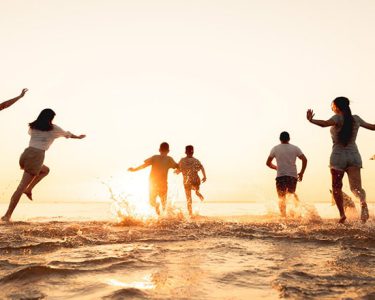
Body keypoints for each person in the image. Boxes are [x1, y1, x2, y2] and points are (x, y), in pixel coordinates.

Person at [1, 108, 86, 222]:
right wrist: (79, 137)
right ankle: (7, 215)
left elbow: (33, 135)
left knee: (45, 170)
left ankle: (29, 189)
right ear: (50, 118)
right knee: (20, 187)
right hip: (37, 156)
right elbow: (67, 135)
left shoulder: (33, 126)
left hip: (26, 154)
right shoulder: (54, 128)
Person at [307, 97, 375, 223]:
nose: (331, 108)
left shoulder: (337, 117)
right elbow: (373, 127)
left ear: (337, 106)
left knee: (336, 188)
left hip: (338, 157)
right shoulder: (356, 118)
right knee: (356, 188)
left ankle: (342, 215)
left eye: (332, 105)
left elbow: (324, 123)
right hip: (354, 156)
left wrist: (311, 120)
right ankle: (363, 202)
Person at [128, 142, 178, 215]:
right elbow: (177, 166)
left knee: (152, 202)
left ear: (159, 150)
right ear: (168, 151)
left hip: (153, 183)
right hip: (163, 183)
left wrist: (134, 169)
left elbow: (144, 165)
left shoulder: (154, 157)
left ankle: (156, 207)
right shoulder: (169, 159)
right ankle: (163, 219)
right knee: (164, 203)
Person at [266, 131, 307, 217]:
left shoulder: (275, 149)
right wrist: (302, 173)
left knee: (281, 198)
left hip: (280, 176)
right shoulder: (295, 148)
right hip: (292, 176)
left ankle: (283, 217)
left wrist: (276, 167)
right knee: (291, 194)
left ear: (280, 139)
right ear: (289, 138)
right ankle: (298, 213)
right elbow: (304, 159)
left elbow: (268, 163)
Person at [176, 145, 207, 217]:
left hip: (187, 182)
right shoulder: (196, 160)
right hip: (195, 180)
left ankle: (190, 214)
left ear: (185, 152)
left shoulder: (182, 160)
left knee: (189, 198)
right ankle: (197, 192)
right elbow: (202, 168)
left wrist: (177, 171)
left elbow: (180, 169)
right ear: (193, 152)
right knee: (196, 190)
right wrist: (204, 176)